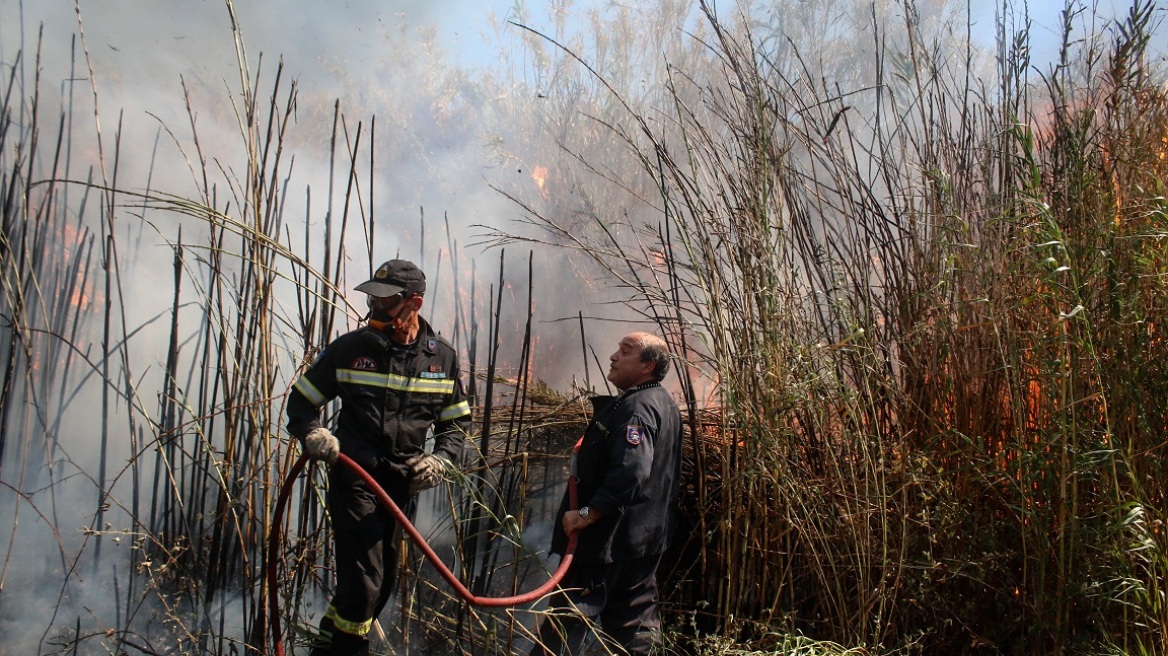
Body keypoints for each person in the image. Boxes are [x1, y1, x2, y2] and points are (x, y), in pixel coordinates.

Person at [286, 259, 472, 656]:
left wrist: (441, 459)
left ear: (413, 303)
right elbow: (302, 401)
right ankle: (350, 651)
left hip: (402, 482)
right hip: (354, 476)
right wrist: (313, 432)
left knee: (381, 581)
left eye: (385, 302)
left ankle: (328, 644)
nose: (374, 309)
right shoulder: (350, 349)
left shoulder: (442, 360)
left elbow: (456, 425)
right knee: (366, 579)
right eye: (372, 299)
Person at [530, 332, 682, 656]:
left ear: (648, 366)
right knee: (635, 632)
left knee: (564, 628)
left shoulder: (637, 409)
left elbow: (631, 472)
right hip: (642, 545)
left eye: (625, 352)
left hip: (606, 546)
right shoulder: (662, 402)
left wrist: (585, 515)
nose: (613, 356)